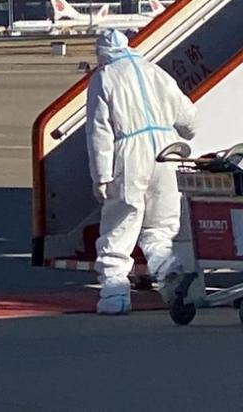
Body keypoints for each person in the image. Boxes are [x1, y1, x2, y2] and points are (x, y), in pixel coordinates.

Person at [86, 29, 197, 315]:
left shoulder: (104, 77)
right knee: (160, 227)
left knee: (121, 222)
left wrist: (101, 176)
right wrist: (186, 133)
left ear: (103, 53)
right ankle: (168, 274)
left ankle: (114, 294)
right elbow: (187, 116)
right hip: (165, 150)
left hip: (130, 153)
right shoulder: (155, 72)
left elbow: (99, 131)